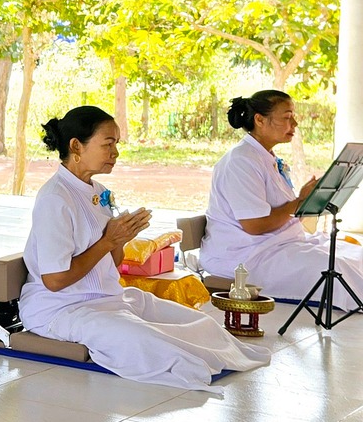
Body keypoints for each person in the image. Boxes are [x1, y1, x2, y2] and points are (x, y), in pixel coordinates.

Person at [23, 107, 268, 390]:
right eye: (108, 144)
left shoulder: (96, 191)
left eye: (116, 144)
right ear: (76, 146)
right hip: (61, 308)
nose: (115, 152)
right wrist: (108, 241)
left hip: (109, 298)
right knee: (152, 341)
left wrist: (121, 238)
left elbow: (112, 264)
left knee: (202, 325)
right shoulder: (55, 198)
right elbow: (54, 281)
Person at [203, 89, 363, 303]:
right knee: (337, 267)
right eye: (287, 117)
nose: (295, 123)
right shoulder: (241, 162)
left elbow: (283, 210)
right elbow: (255, 225)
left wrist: (308, 199)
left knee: (355, 255)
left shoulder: (264, 157)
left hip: (280, 245)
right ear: (260, 120)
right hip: (248, 256)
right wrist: (299, 202)